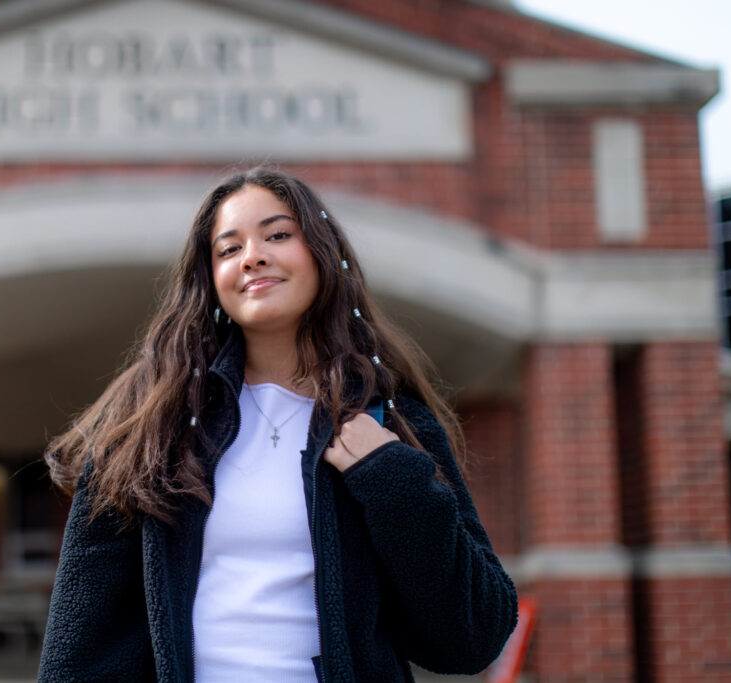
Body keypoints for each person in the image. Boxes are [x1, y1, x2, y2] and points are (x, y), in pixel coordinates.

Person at [38, 167, 518, 683]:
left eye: (278, 235)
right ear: (209, 278)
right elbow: (81, 638)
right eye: (228, 249)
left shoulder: (390, 422)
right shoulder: (150, 427)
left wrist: (391, 479)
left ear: (322, 253)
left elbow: (474, 638)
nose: (253, 256)